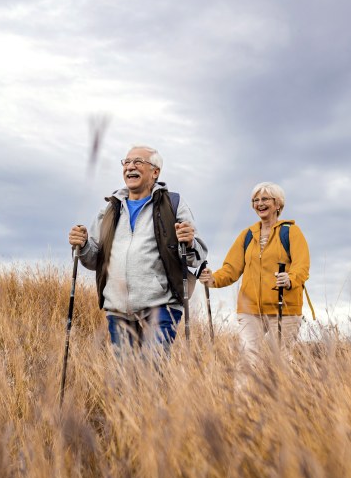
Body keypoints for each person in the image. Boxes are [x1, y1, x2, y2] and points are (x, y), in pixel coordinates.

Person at [68, 145, 207, 359]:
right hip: (118, 309)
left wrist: (188, 243)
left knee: (152, 372)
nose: (130, 167)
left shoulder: (173, 204)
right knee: (126, 380)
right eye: (127, 162)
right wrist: (83, 244)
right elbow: (94, 258)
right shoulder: (109, 209)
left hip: (161, 305)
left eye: (138, 162)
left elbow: (197, 255)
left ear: (155, 172)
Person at [198, 182, 310, 363]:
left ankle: (281, 392)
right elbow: (231, 269)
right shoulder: (247, 235)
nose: (259, 203)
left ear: (278, 204)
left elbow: (302, 265)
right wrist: (213, 279)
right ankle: (242, 393)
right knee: (247, 359)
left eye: (265, 199)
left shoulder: (291, 232)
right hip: (249, 309)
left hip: (285, 307)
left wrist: (290, 278)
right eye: (255, 200)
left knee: (281, 361)